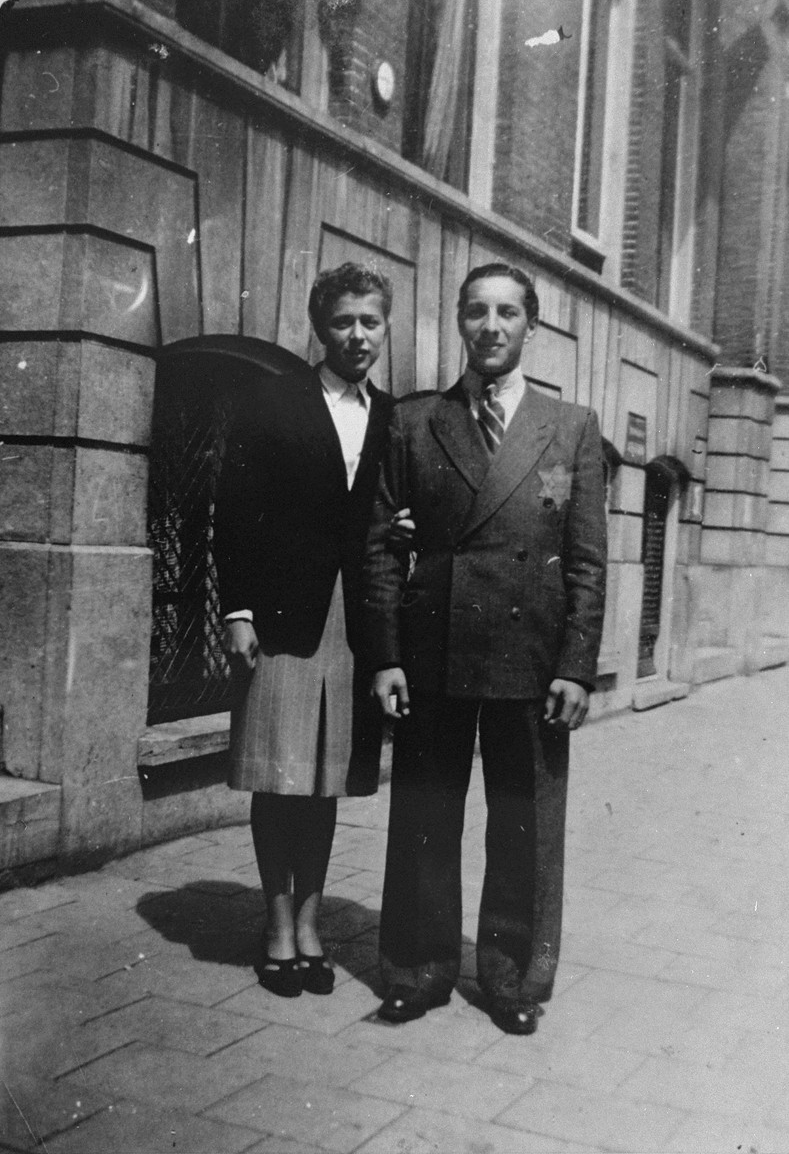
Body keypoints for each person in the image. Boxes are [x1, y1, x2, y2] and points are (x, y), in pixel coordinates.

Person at [363, 263, 607, 1034]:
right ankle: (417, 967)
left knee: (524, 822)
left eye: (507, 313)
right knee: (425, 814)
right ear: (460, 322)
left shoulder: (568, 428)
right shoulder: (413, 421)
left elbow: (586, 559)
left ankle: (512, 978)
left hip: (529, 659)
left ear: (530, 325)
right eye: (476, 312)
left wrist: (575, 665)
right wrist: (386, 654)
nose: (491, 327)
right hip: (432, 650)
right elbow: (378, 547)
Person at [214, 262, 395, 998]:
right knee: (280, 778)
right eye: (344, 321)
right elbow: (233, 511)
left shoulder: (393, 417)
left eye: (370, 321)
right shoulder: (273, 400)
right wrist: (238, 610)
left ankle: (313, 923)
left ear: (385, 328)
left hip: (356, 622)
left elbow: (392, 512)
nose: (357, 335)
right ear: (321, 329)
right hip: (286, 616)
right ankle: (277, 924)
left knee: (324, 783)